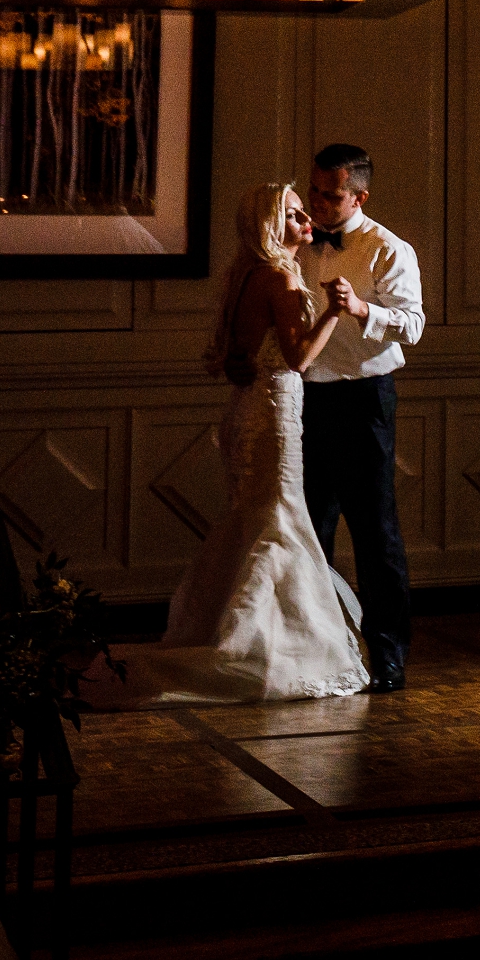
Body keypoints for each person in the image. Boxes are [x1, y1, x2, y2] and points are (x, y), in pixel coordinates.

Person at [100, 182, 371, 704]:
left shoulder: (244, 275)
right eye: (293, 216)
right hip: (274, 412)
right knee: (276, 519)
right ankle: (253, 649)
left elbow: (240, 354)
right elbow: (298, 359)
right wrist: (334, 311)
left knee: (254, 519)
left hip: (246, 409)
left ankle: (249, 636)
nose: (306, 222)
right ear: (270, 225)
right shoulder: (278, 277)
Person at [297, 141, 425, 692]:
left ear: (359, 196)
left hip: (363, 397)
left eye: (332, 196)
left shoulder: (389, 250)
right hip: (303, 398)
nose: (320, 205)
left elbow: (413, 325)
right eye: (316, 192)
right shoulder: (299, 240)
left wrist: (361, 309)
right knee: (307, 529)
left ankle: (389, 653)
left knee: (375, 532)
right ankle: (320, 648)